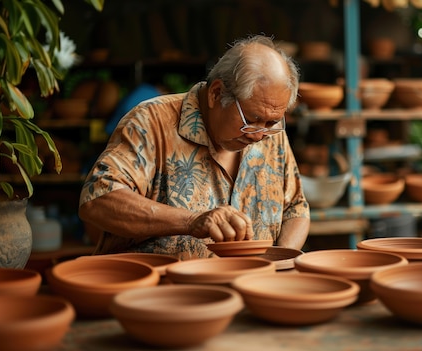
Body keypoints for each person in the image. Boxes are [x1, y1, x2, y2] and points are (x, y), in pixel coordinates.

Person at [78, 35, 310, 259]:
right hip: (159, 291)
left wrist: (281, 258)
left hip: (248, 286)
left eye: (272, 122)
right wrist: (190, 221)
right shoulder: (151, 121)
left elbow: (296, 208)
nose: (260, 135)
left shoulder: (271, 133)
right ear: (216, 93)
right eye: (250, 120)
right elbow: (98, 200)